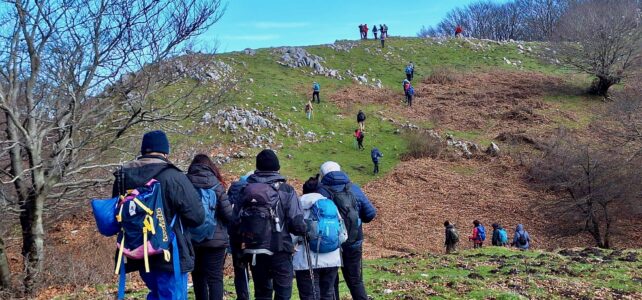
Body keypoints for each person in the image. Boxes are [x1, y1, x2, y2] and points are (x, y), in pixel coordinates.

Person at [111, 130, 204, 299]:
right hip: (169, 252)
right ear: (165, 152)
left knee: (155, 293)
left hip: (140, 251)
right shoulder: (173, 176)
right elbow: (197, 216)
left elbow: (117, 213)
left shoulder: (123, 177)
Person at [235, 149, 307, 300]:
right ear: (277, 167)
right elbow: (297, 224)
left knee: (262, 292)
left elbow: (234, 222)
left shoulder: (245, 190)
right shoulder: (286, 190)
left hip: (254, 249)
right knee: (283, 291)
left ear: (257, 168)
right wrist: (306, 231)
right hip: (280, 249)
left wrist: (239, 250)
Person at [316, 161, 377, 300]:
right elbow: (370, 214)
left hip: (330, 244)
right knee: (355, 280)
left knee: (330, 283)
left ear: (322, 174)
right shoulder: (354, 189)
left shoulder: (320, 191)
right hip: (353, 241)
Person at [187, 154, 234, 300]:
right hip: (215, 239)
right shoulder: (216, 185)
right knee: (215, 278)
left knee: (198, 276)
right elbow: (228, 215)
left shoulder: (185, 182)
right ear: (211, 166)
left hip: (192, 239)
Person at [293, 175, 348, 300]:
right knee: (328, 295)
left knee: (310, 296)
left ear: (304, 190)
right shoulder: (330, 205)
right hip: (332, 259)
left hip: (306, 261)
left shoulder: (298, 206)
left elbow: (292, 234)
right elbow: (344, 235)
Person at [227, 172, 254, 300]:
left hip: (236, 236)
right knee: (257, 268)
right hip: (254, 235)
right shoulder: (255, 188)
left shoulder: (234, 188)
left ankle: (243, 296)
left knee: (240, 270)